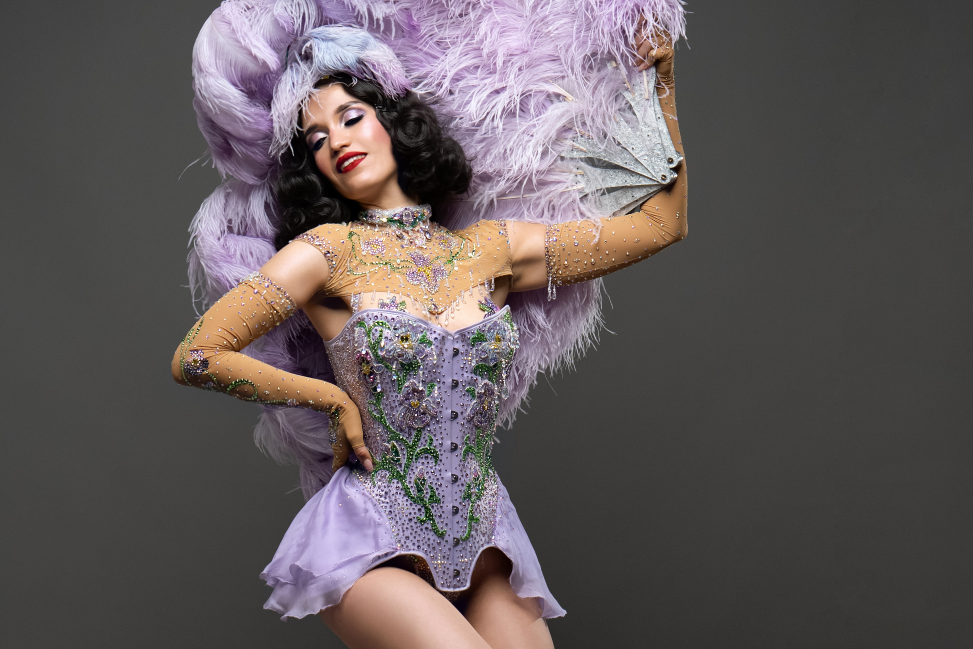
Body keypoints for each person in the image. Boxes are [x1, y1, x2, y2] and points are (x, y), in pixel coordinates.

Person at [173, 13, 686, 649]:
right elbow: (197, 355)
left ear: (394, 121)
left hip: (485, 534)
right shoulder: (326, 252)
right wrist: (330, 399)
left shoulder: (492, 249)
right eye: (316, 139)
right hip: (367, 540)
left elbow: (661, 225)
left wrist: (660, 83)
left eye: (351, 117)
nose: (336, 141)